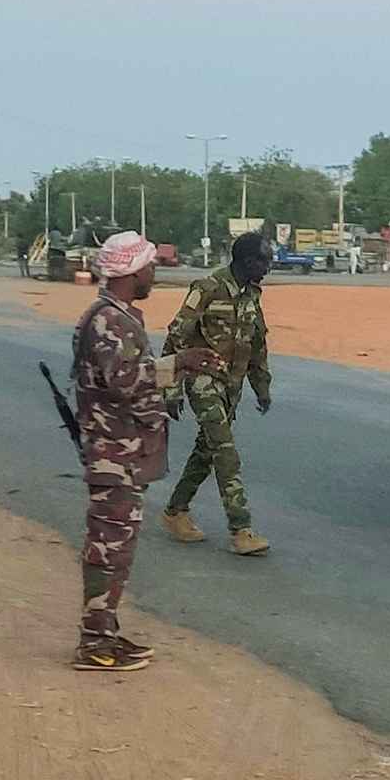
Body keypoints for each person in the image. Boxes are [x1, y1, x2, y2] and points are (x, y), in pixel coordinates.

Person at [70, 232, 222, 672]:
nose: (154, 273)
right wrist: (178, 368)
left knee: (118, 550)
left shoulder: (118, 318)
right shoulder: (107, 321)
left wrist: (181, 364)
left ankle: (105, 634)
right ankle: (94, 644)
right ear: (132, 272)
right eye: (150, 267)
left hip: (124, 455)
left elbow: (128, 374)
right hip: (113, 455)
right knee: (107, 549)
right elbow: (124, 381)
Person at [159, 232, 274, 556]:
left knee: (206, 452)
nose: (269, 267)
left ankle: (174, 510)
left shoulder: (252, 294)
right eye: (264, 260)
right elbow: (176, 338)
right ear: (247, 261)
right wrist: (170, 388)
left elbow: (257, 344)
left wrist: (261, 388)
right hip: (203, 380)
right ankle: (241, 529)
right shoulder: (207, 288)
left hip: (231, 385)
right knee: (225, 450)